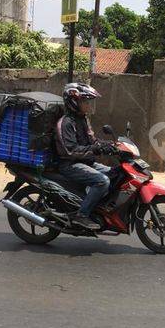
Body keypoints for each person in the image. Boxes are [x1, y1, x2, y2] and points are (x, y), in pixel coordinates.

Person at [55, 83, 118, 230]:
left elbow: (92, 141)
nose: (88, 106)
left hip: (85, 162)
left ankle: (99, 209)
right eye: (85, 102)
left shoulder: (83, 119)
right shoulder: (66, 123)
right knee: (102, 181)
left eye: (88, 102)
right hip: (69, 165)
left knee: (115, 173)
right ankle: (81, 215)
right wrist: (96, 149)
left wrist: (110, 146)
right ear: (74, 102)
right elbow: (70, 151)